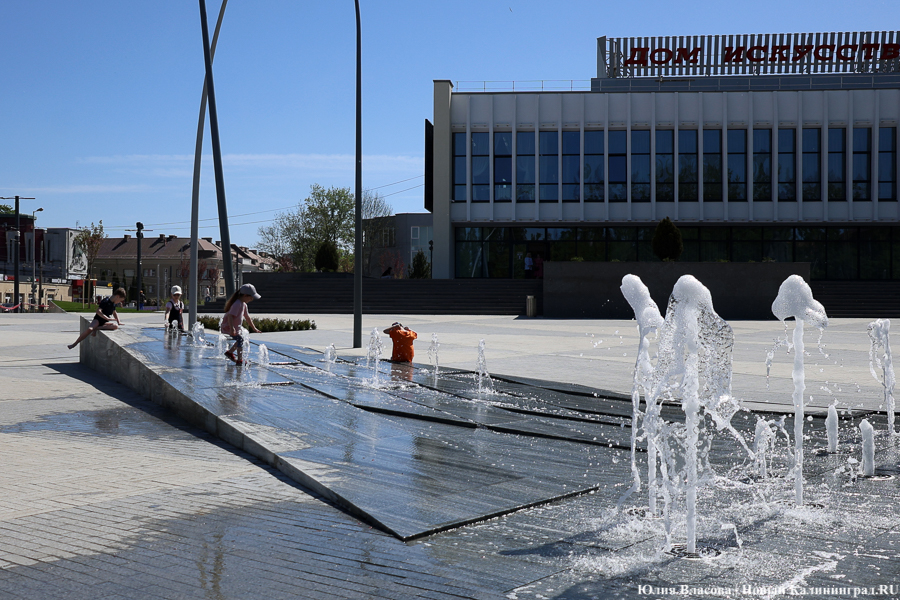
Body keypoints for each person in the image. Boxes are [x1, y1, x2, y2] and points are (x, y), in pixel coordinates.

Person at [221, 283, 262, 365]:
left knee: (241, 339)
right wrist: (232, 328)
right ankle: (240, 360)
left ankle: (230, 353)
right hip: (228, 327)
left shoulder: (243, 305)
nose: (251, 300)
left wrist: (254, 328)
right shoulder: (237, 304)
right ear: (245, 295)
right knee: (240, 340)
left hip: (234, 327)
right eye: (251, 298)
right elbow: (230, 316)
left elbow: (247, 317)